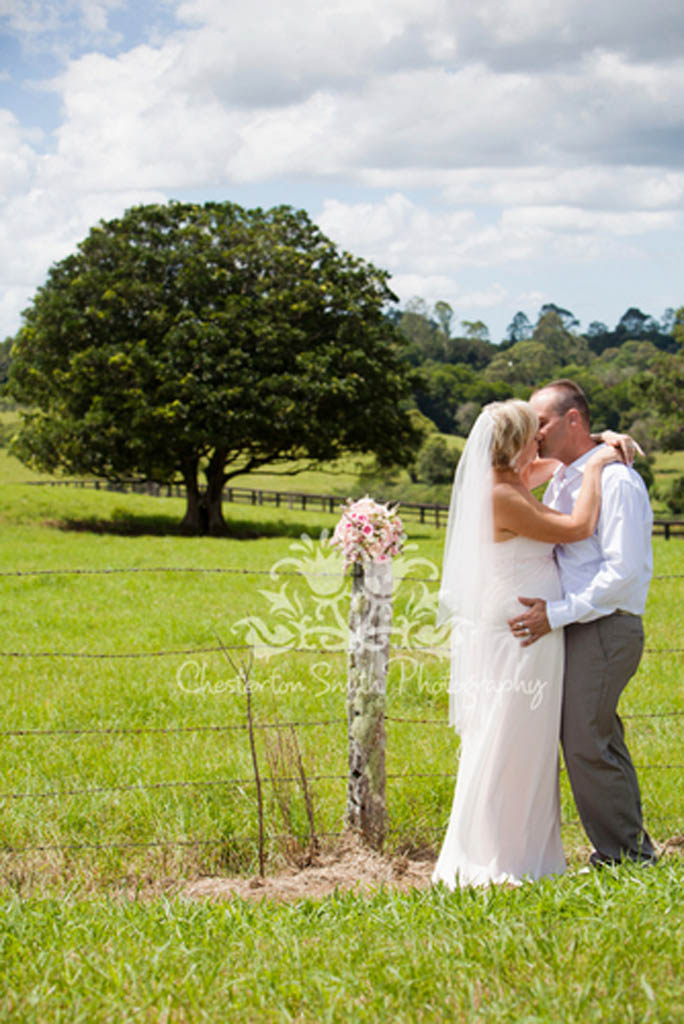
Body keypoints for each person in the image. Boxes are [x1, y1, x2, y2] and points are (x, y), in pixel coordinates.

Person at [432, 399, 622, 889]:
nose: (540, 437)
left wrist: (596, 443)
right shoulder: (502, 494)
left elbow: (556, 465)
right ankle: (496, 854)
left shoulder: (514, 478)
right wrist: (598, 467)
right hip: (521, 630)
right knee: (508, 737)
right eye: (533, 432)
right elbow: (578, 527)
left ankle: (527, 851)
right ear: (516, 442)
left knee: (526, 739)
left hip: (532, 628)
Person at [508, 379, 657, 867]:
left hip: (605, 626)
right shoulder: (566, 476)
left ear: (573, 419)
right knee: (596, 737)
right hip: (579, 625)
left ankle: (625, 857)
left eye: (542, 422)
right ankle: (628, 849)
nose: (535, 432)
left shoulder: (617, 481)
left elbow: (622, 572)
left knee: (585, 742)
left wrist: (555, 614)